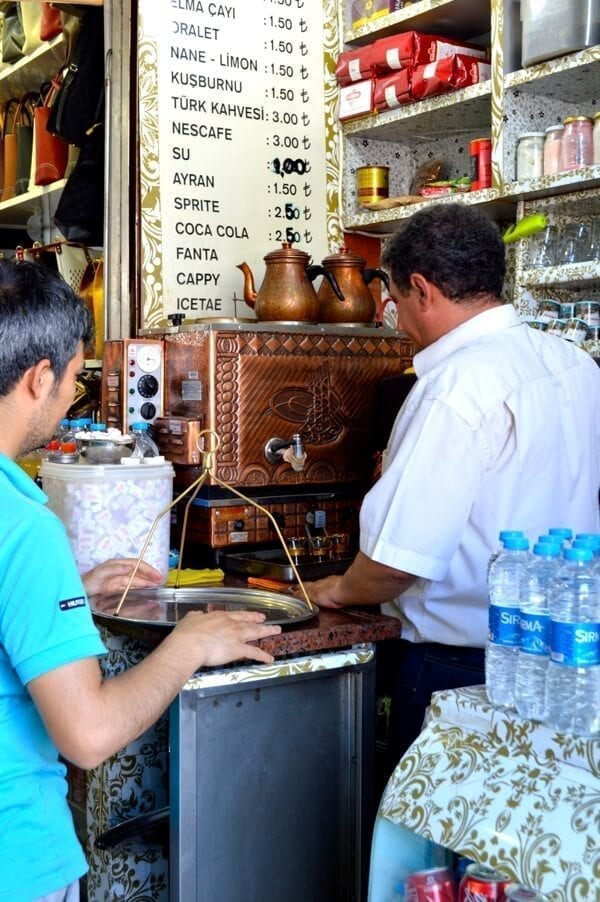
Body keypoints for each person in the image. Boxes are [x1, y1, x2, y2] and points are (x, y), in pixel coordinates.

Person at [0, 261, 282, 902]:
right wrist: (190, 646)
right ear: (39, 378)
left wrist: (60, 585)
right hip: (16, 861)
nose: (72, 396)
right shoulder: (25, 529)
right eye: (74, 378)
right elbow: (89, 735)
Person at [297, 203, 600, 773]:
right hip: (564, 664)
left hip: (460, 671)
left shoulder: (456, 386)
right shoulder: (575, 363)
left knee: (442, 850)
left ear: (420, 288)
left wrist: (336, 590)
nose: (392, 309)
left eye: (391, 291)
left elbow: (396, 561)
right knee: (523, 841)